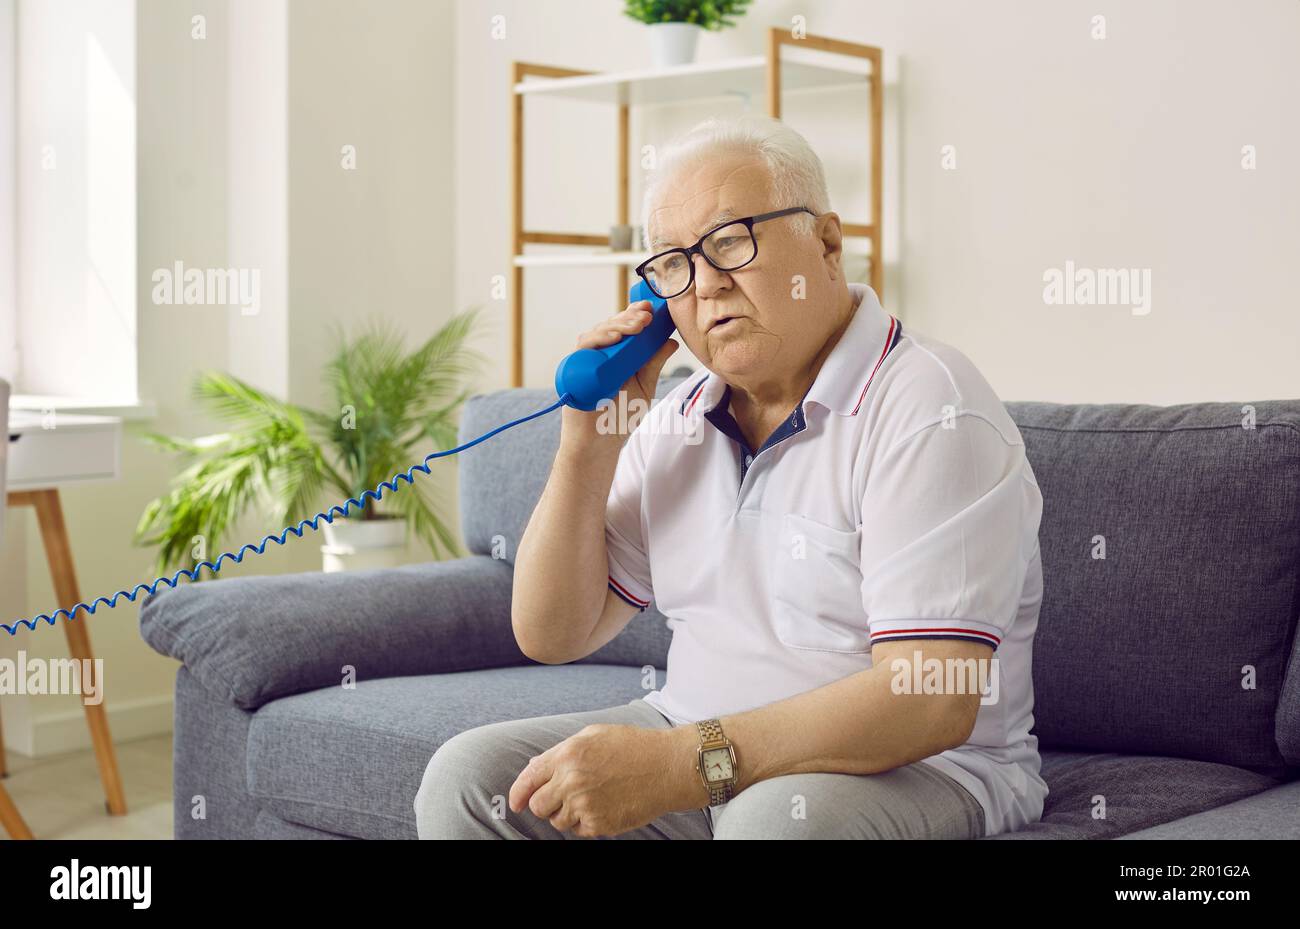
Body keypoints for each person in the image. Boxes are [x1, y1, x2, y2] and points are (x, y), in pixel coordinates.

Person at [415, 113, 1046, 839]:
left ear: (827, 244)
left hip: (924, 767)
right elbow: (550, 632)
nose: (706, 286)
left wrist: (676, 765)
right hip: (694, 738)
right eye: (674, 263)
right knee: (473, 779)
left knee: (774, 823)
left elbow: (930, 699)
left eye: (730, 241)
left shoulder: (930, 406)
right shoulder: (677, 416)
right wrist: (588, 445)